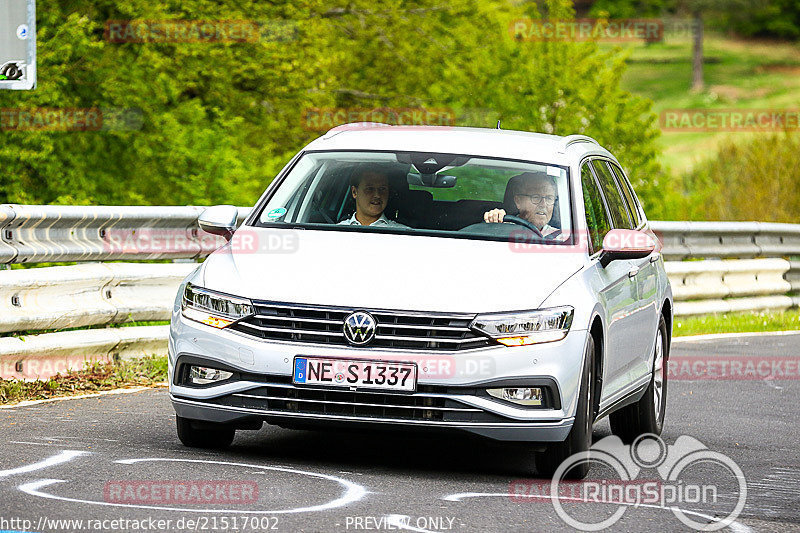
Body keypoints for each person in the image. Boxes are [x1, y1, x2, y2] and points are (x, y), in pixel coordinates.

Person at [483, 171, 561, 238]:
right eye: (536, 197)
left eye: (549, 198)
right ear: (518, 201)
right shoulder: (502, 228)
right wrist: (493, 221)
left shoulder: (563, 238)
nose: (543, 204)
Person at [339, 166, 408, 228]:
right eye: (369, 189)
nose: (377, 195)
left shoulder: (403, 233)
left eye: (382, 189)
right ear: (354, 192)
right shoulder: (337, 230)